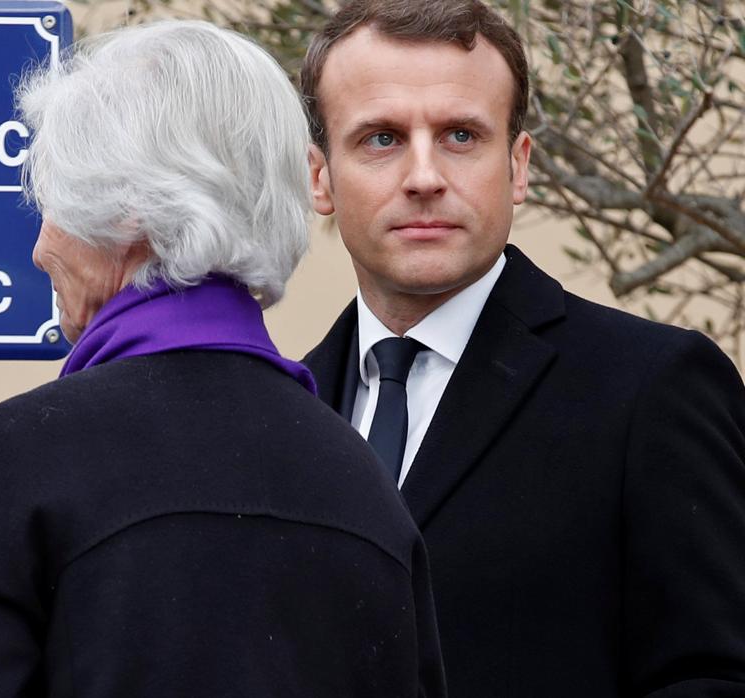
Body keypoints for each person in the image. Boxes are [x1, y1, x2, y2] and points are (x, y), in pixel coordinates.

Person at [0, 20, 445, 698]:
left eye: (55, 202)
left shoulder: (22, 457)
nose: (41, 246)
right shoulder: (364, 482)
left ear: (129, 211)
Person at [299, 1, 745, 696]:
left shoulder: (654, 389)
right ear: (321, 178)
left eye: (460, 136)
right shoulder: (286, 410)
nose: (423, 176)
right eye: (382, 138)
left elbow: (715, 675)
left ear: (520, 165)